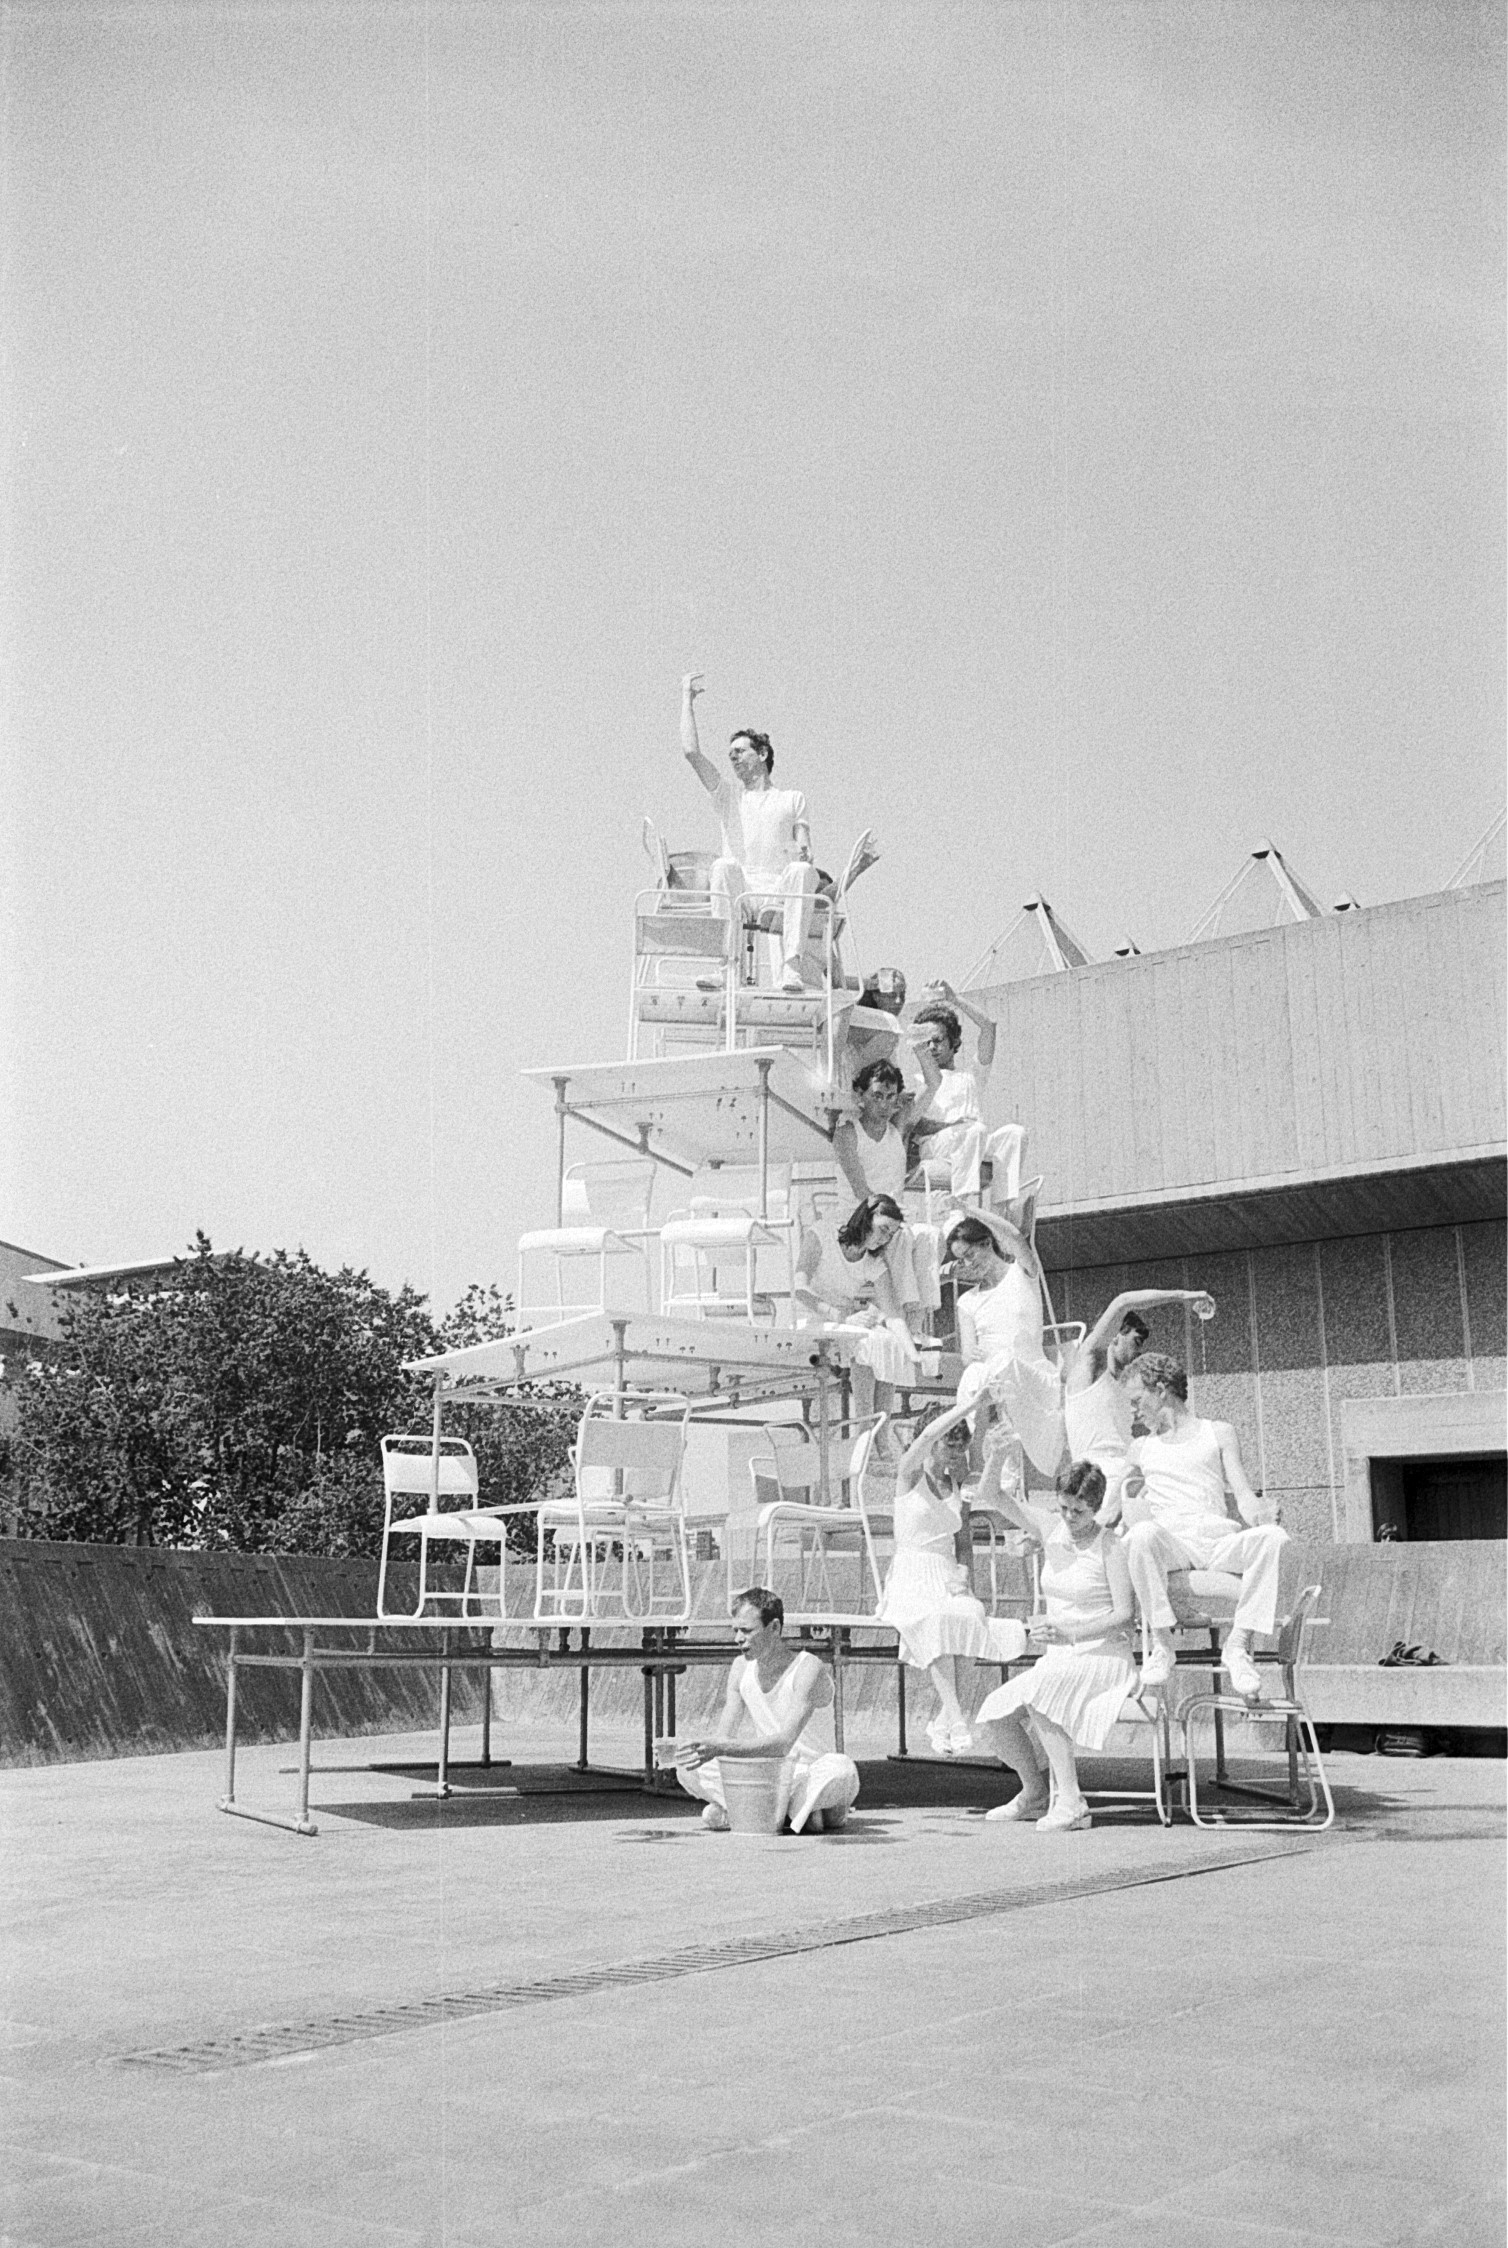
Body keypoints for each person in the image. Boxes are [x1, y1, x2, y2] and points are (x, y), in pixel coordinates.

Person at [973, 1456, 1140, 1832]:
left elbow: (1125, 1616)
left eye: (1078, 1511)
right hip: (1060, 1657)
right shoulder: (1051, 1528)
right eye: (1064, 1507)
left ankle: (1072, 1801)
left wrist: (1072, 1634)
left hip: (1104, 1655)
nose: (1069, 1517)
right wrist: (997, 1454)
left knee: (1042, 1692)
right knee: (996, 1713)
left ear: (1095, 1508)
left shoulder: (1110, 1546)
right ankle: (1034, 1791)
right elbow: (991, 1494)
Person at [1123, 1352, 1287, 1698]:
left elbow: (1243, 1496)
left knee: (1273, 1538)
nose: (1133, 1411)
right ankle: (1163, 1644)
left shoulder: (1219, 1432)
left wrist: (1261, 1515)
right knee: (1140, 1534)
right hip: (1174, 1546)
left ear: (1161, 1390)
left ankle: (1237, 1645)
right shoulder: (1140, 1448)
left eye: (1137, 1400)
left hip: (1217, 1543)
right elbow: (1109, 1508)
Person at [875, 1400, 1027, 1756]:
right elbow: (928, 1433)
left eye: (961, 1445)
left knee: (972, 1616)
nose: (956, 1452)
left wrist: (965, 1576)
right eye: (950, 1443)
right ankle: (957, 1720)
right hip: (911, 1575)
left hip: (946, 1576)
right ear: (932, 1442)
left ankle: (944, 1719)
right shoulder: (909, 1474)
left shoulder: (958, 1486)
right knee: (940, 1619)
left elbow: (964, 1545)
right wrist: (973, 1404)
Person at [675, 1587, 860, 1832]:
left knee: (842, 1769)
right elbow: (723, 1737)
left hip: (809, 1774)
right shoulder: (740, 1668)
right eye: (735, 1630)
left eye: (746, 1630)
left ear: (774, 1628)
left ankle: (751, 1811)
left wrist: (720, 1747)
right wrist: (692, 1749)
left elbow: (783, 1744)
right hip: (767, 1774)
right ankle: (796, 1814)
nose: (738, 1639)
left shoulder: (808, 1668)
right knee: (687, 1767)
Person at [679, 673, 819, 993]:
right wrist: (686, 697)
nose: (733, 757)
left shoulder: (792, 799)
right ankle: (727, 967)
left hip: (778, 889)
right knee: (723, 866)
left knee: (802, 870)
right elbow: (691, 752)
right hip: (741, 889)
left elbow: (804, 846)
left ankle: (791, 967)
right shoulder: (729, 796)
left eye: (740, 751)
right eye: (731, 754)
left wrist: (804, 853)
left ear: (763, 754)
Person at [1062, 1288, 1217, 1524]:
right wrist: (1183, 1296)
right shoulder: (1087, 1368)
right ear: (1115, 1336)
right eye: (1136, 1342)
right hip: (1097, 1476)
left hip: (1132, 1473)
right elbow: (1122, 1301)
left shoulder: (1126, 1388)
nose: (1139, 1352)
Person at [944, 1208, 1064, 1477]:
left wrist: (968, 1208)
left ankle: (983, 1460)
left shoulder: (1022, 1273)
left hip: (1031, 1376)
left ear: (987, 1242)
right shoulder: (967, 1301)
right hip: (991, 1381)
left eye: (970, 1254)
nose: (967, 1264)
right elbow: (967, 1355)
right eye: (961, 1260)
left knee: (1001, 1363)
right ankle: (973, 1460)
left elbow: (1014, 1236)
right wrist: (971, 1356)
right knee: (975, 1373)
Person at [795, 1195, 920, 1418]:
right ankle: (863, 1427)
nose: (884, 1238)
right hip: (813, 1316)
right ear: (867, 1217)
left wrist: (913, 1354)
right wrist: (841, 1317)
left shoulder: (872, 1262)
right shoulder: (822, 1233)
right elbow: (799, 1288)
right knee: (867, 1342)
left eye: (890, 1234)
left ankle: (880, 1432)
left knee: (889, 1341)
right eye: (883, 1229)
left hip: (845, 1323)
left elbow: (893, 1314)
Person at [907, 981, 998, 1199]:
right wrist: (953, 1126)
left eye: (937, 1040)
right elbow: (914, 1124)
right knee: (975, 1130)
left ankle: (1003, 1206)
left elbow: (988, 1027)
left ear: (953, 1041)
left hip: (972, 1140)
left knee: (1015, 1134)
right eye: (926, 1042)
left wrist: (954, 999)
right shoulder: (919, 1081)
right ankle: (959, 1203)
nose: (931, 1047)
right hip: (937, 1145)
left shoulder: (970, 1076)